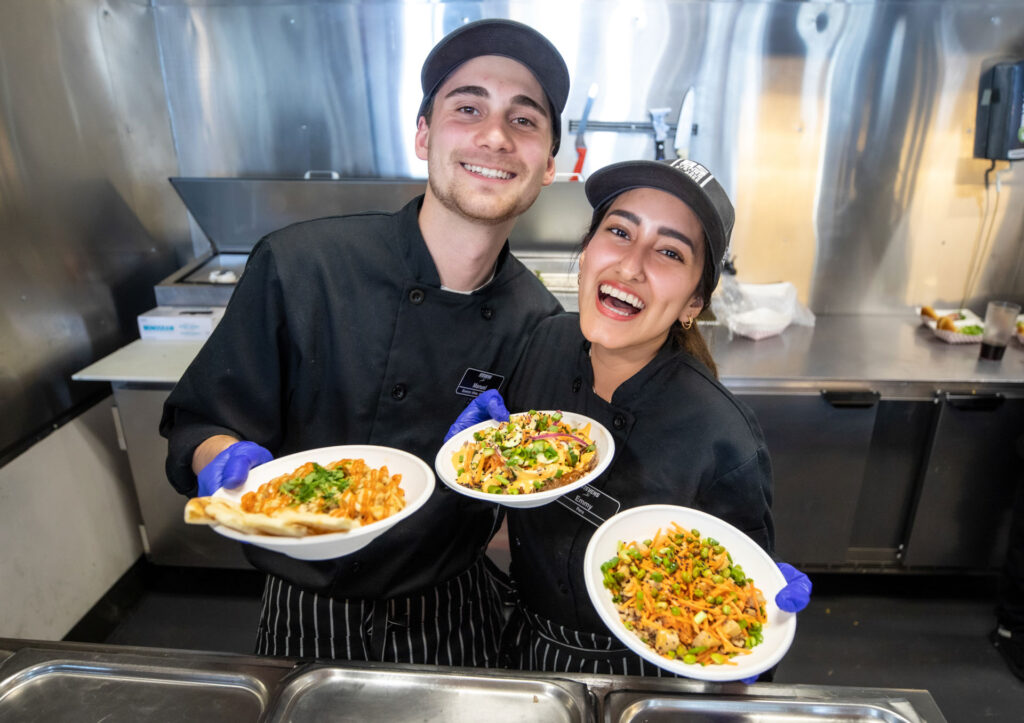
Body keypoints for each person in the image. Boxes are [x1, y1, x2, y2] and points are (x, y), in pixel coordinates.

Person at [159, 18, 570, 667]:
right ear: (423, 134)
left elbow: (534, 477)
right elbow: (204, 419)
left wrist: (503, 467)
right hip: (307, 600)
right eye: (468, 108)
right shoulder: (302, 265)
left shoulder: (539, 320)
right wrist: (220, 456)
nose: (494, 135)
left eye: (524, 121)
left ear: (550, 164)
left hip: (453, 604)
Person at [447, 158, 811, 677]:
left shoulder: (721, 436)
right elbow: (512, 515)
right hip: (522, 646)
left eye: (669, 251)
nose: (630, 265)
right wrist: (474, 471)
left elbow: (739, 591)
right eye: (619, 231)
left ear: (693, 303)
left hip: (644, 667)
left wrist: (750, 647)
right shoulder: (542, 344)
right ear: (587, 250)